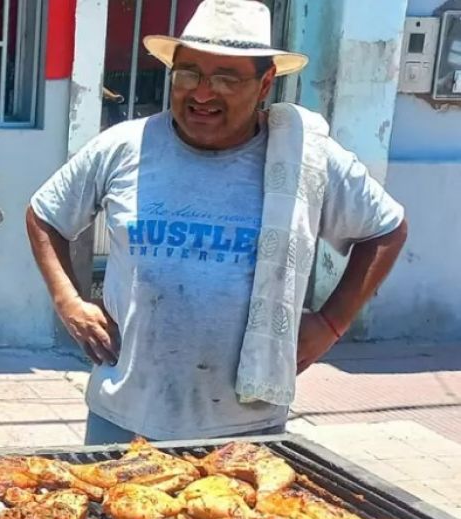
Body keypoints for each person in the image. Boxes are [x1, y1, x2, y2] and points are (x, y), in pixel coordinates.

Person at [26, 0, 408, 445]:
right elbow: (44, 214)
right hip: (124, 412)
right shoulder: (123, 147)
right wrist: (69, 301)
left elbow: (386, 229)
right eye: (188, 74)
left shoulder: (306, 159)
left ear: (265, 83)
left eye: (226, 78)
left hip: (245, 428)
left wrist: (331, 324)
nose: (202, 94)